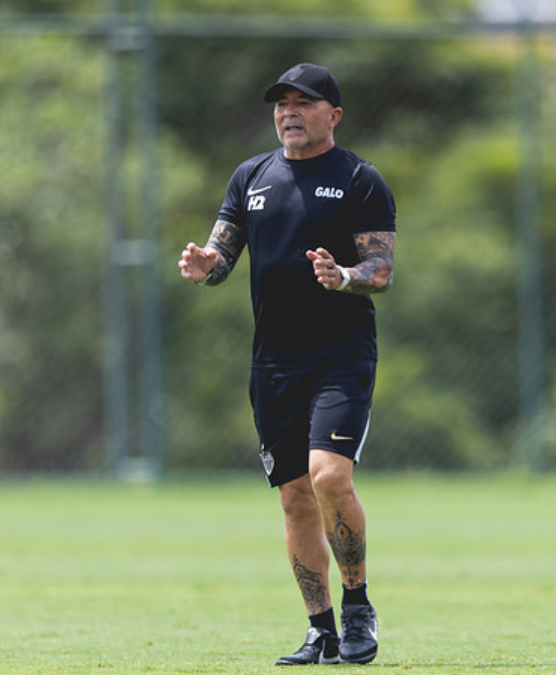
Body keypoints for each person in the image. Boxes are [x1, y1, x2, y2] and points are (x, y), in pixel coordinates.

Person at [177, 63, 396, 666]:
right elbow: (222, 254)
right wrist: (207, 266)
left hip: (341, 356)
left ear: (334, 115)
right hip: (273, 363)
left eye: (304, 102)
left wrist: (343, 275)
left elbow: (380, 270)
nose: (289, 112)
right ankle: (320, 630)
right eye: (281, 104)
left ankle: (358, 607)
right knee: (296, 496)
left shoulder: (360, 180)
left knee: (329, 476)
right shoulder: (250, 176)